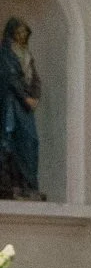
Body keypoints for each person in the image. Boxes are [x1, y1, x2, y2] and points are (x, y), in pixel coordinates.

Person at [0, 18, 42, 199]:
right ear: (12, 33)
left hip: (26, 107)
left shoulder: (27, 55)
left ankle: (29, 184)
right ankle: (12, 184)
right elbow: (11, 77)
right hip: (12, 105)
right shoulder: (6, 54)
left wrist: (35, 96)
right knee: (11, 141)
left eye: (25, 32)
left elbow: (35, 79)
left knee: (31, 142)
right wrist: (25, 98)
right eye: (19, 31)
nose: (23, 35)